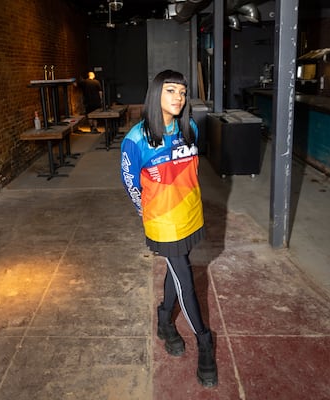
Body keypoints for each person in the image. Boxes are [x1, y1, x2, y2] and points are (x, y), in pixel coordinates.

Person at [120, 70, 217, 388]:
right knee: (185, 278)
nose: (178, 97)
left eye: (183, 92)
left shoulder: (189, 127)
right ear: (155, 95)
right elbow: (131, 182)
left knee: (177, 270)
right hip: (163, 221)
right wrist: (148, 215)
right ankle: (204, 341)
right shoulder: (136, 139)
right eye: (171, 90)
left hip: (190, 213)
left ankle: (164, 320)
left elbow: (191, 172)